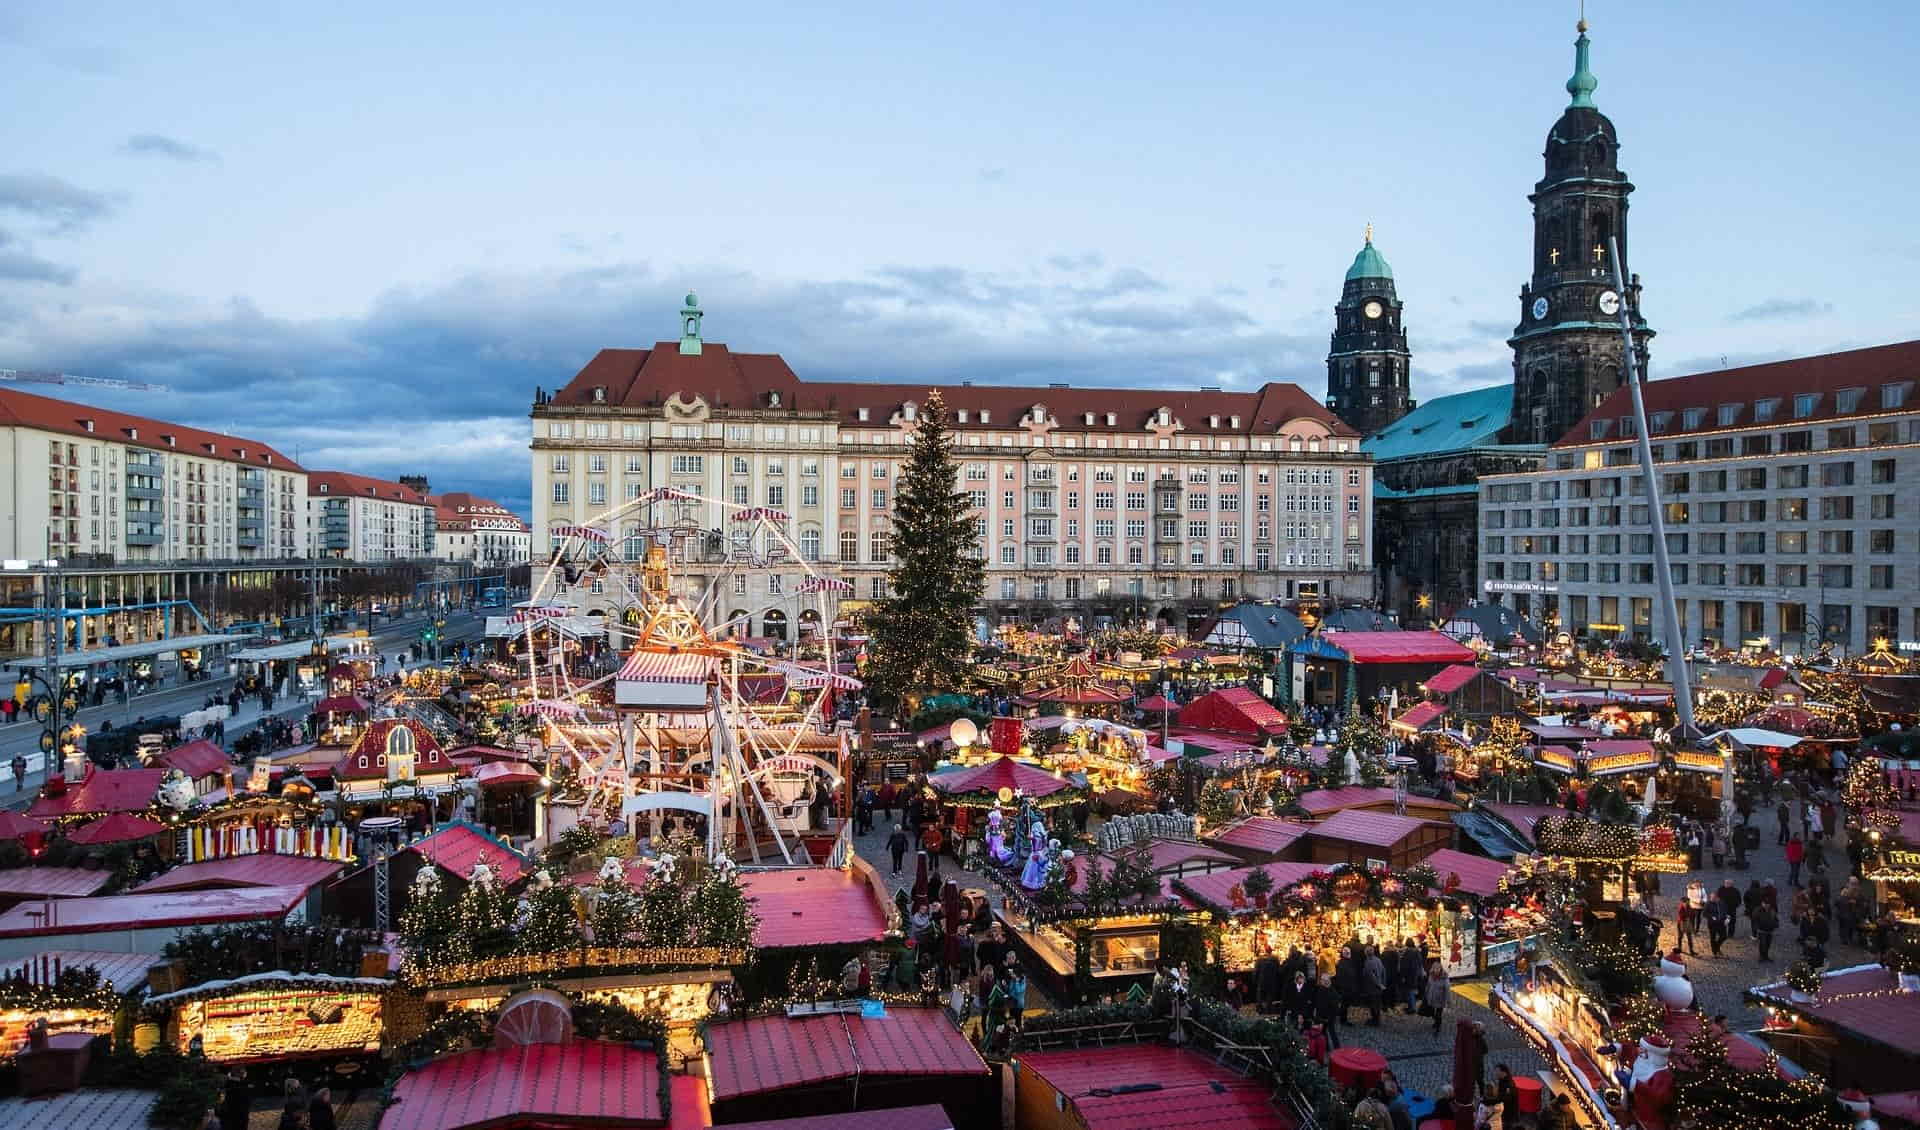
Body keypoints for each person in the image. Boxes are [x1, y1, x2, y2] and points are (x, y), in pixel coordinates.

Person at [1312, 973, 1343, 1048]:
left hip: (1328, 1016)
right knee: (1324, 1032)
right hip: (1322, 1015)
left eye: (1322, 980)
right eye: (1321, 980)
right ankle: (1327, 1047)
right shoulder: (1321, 989)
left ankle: (1336, 1047)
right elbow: (1318, 1002)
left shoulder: (1332, 993)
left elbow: (1335, 1008)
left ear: (1327, 981)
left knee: (1331, 1032)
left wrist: (1329, 1017)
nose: (1321, 981)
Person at [1424, 959, 1451, 1037]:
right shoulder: (1431, 976)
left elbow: (1447, 991)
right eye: (1434, 968)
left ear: (1440, 969)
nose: (1436, 970)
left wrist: (1446, 1002)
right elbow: (1428, 986)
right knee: (1432, 1012)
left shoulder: (1444, 979)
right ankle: (1436, 1022)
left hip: (1440, 999)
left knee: (1439, 1014)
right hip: (1431, 997)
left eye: (1437, 968)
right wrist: (1426, 994)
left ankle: (1438, 1026)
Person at [1363, 944, 1387, 1026]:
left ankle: (1375, 1020)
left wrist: (1379, 984)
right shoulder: (1378, 960)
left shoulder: (1368, 962)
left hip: (1373, 987)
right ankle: (1377, 1019)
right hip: (1379, 987)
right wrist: (1383, 983)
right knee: (1377, 1003)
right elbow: (1384, 971)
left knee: (1373, 1004)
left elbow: (1371, 976)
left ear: (1366, 953)